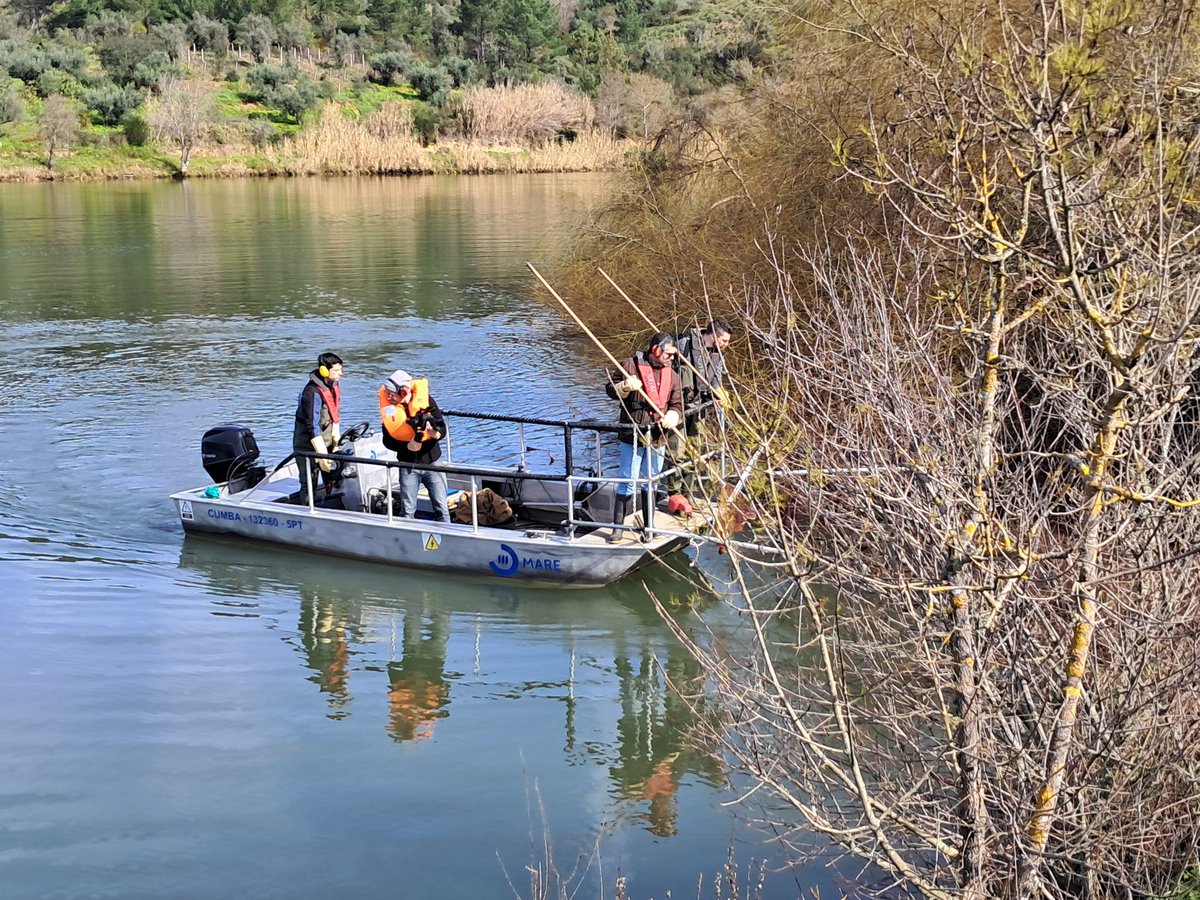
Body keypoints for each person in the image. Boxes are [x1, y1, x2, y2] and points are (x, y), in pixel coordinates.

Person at [604, 332, 685, 542]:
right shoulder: (629, 366)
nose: (671, 359)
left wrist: (673, 415)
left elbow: (678, 404)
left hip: (658, 436)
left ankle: (649, 525)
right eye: (668, 354)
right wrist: (623, 387)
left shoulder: (673, 375)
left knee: (652, 481)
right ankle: (618, 528)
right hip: (632, 434)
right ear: (656, 349)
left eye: (673, 355)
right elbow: (610, 390)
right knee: (627, 480)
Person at [665, 318, 734, 501]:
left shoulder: (718, 353)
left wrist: (719, 392)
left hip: (699, 407)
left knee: (695, 450)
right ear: (712, 336)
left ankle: (689, 493)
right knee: (676, 451)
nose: (727, 345)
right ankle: (674, 494)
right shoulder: (684, 345)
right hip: (677, 406)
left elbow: (715, 380)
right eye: (724, 340)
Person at [379, 369, 450, 522]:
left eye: (392, 393)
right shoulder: (389, 409)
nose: (388, 397)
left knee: (442, 507)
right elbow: (387, 440)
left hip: (433, 462)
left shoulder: (426, 401)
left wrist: (433, 434)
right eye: (387, 393)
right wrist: (407, 446)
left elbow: (442, 430)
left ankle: (447, 538)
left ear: (404, 392)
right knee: (407, 510)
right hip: (407, 464)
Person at [292, 352, 343, 502]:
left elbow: (335, 411)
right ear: (324, 370)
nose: (341, 373)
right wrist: (321, 455)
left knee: (334, 475)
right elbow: (312, 426)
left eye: (341, 369)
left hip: (327, 441)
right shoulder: (311, 392)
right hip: (308, 444)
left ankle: (333, 503)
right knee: (309, 481)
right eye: (336, 370)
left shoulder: (333, 385)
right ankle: (308, 508)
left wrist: (335, 440)